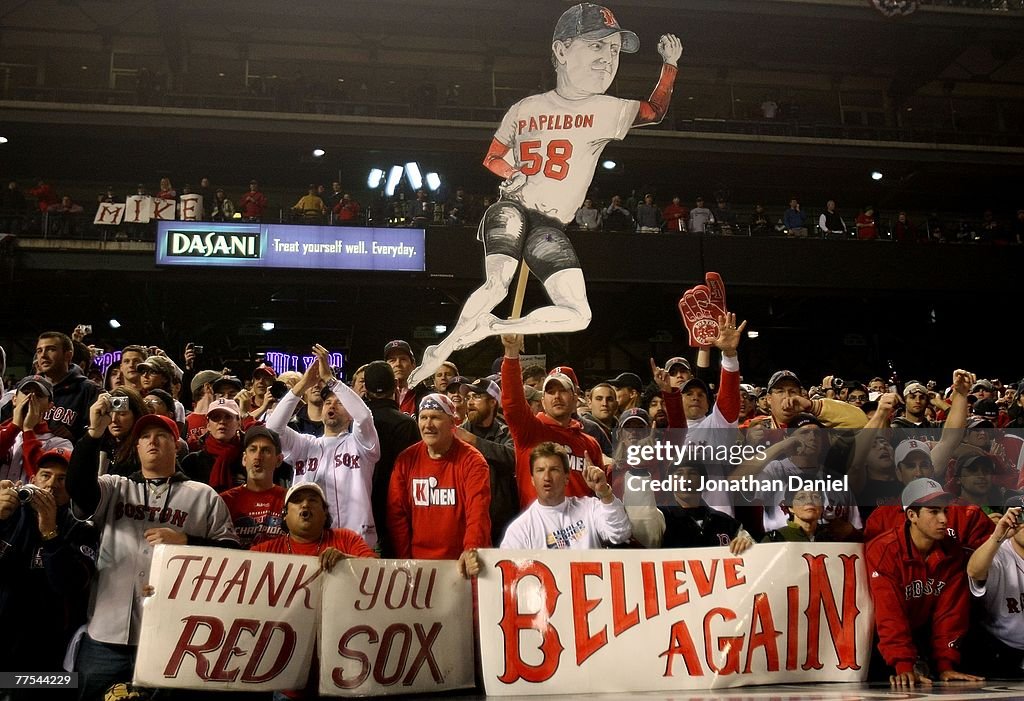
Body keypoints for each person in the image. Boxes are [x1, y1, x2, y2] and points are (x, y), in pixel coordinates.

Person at [407, 5, 682, 386]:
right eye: (598, 47)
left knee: (579, 314)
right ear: (561, 50)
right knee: (496, 284)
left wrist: (670, 66)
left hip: (550, 225)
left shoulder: (605, 108)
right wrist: (513, 172)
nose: (608, 60)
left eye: (615, 51)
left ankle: (493, 326)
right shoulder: (527, 108)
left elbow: (654, 112)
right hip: (513, 208)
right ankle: (443, 350)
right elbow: (493, 157)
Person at [67, 413, 238, 700]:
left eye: (161, 435)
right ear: (136, 448)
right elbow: (78, 488)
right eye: (144, 437)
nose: (152, 441)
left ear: (177, 444)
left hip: (175, 638)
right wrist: (93, 434)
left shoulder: (204, 496)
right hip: (107, 635)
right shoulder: (115, 487)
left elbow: (232, 559)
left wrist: (187, 541)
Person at [865, 478, 983, 687]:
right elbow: (888, 613)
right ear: (912, 515)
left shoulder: (952, 550)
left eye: (945, 511)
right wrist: (903, 665)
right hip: (878, 645)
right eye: (934, 511)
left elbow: (952, 612)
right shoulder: (884, 550)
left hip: (923, 635)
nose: (944, 519)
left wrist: (946, 665)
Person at [266, 344, 380, 549]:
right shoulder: (305, 444)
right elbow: (272, 429)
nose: (332, 405)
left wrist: (330, 379)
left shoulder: (361, 443)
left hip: (356, 543)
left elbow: (363, 416)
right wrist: (302, 385)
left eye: (339, 402)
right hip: (310, 542)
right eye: (328, 402)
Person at [0, 447, 98, 678]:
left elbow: (69, 585)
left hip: (46, 648)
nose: (52, 484)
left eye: (63, 479)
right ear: (32, 479)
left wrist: (50, 532)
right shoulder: (10, 512)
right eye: (46, 475)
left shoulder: (83, 527)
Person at [387, 393, 490, 576]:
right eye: (423, 417)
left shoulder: (472, 461)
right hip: (418, 564)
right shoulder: (406, 460)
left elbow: (477, 511)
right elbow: (397, 515)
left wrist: (471, 550)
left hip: (460, 564)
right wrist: (406, 561)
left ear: (452, 423)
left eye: (435, 417)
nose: (428, 425)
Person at [500, 334, 606, 508]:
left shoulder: (590, 444)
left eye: (562, 390)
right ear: (543, 401)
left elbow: (598, 493)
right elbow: (512, 402)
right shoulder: (529, 431)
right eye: (550, 391)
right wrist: (511, 353)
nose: (556, 396)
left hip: (581, 531)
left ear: (575, 399)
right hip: (539, 530)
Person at [500, 442, 630, 549]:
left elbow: (620, 533)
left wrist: (604, 493)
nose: (547, 477)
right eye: (540, 470)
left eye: (554, 470)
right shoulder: (520, 529)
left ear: (566, 477)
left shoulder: (590, 507)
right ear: (532, 479)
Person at [362, 361, 419, 556]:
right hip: (396, 511)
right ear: (395, 386)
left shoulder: (354, 423)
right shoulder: (406, 424)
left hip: (360, 509)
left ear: (366, 389)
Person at [964, 502, 1024, 677]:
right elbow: (974, 571)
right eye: (1021, 517)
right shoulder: (998, 553)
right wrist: (997, 536)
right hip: (1000, 652)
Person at [457, 377, 519, 545]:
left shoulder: (506, 431)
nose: (470, 402)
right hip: (464, 518)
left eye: (477, 397)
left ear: (493, 402)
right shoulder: (459, 433)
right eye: (468, 397)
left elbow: (514, 457)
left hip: (501, 522)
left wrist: (475, 442)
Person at [219, 426, 288, 548]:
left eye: (266, 450)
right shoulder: (224, 501)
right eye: (253, 449)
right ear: (244, 459)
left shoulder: (290, 500)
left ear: (279, 460)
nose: (258, 456)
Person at [33, 331, 99, 441]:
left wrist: (75, 436)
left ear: (68, 355)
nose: (43, 355)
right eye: (39, 351)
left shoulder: (89, 389)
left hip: (71, 456)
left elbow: (102, 432)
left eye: (51, 349)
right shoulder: (29, 387)